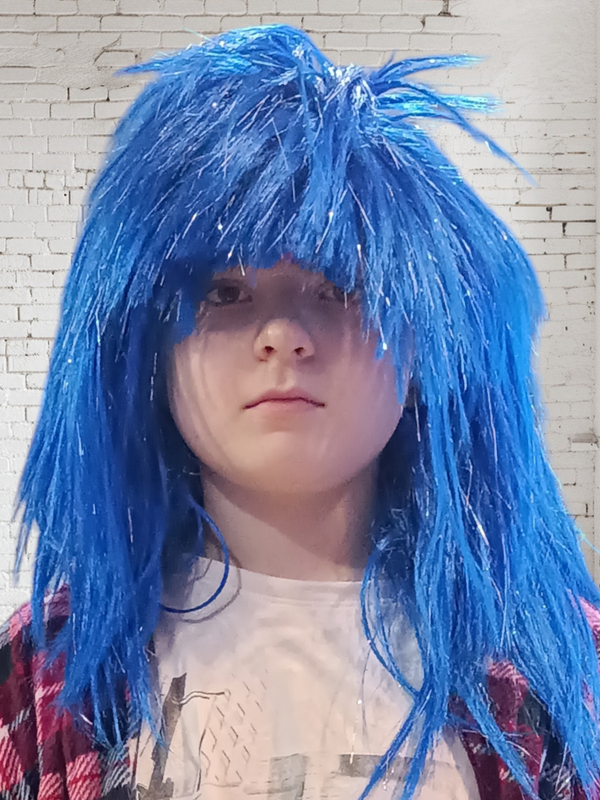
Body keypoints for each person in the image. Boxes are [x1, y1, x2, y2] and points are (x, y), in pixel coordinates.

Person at [0, 23, 599, 800]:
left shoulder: (556, 665)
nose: (283, 335)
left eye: (339, 288)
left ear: (425, 346)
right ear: (143, 349)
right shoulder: (42, 669)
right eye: (224, 293)